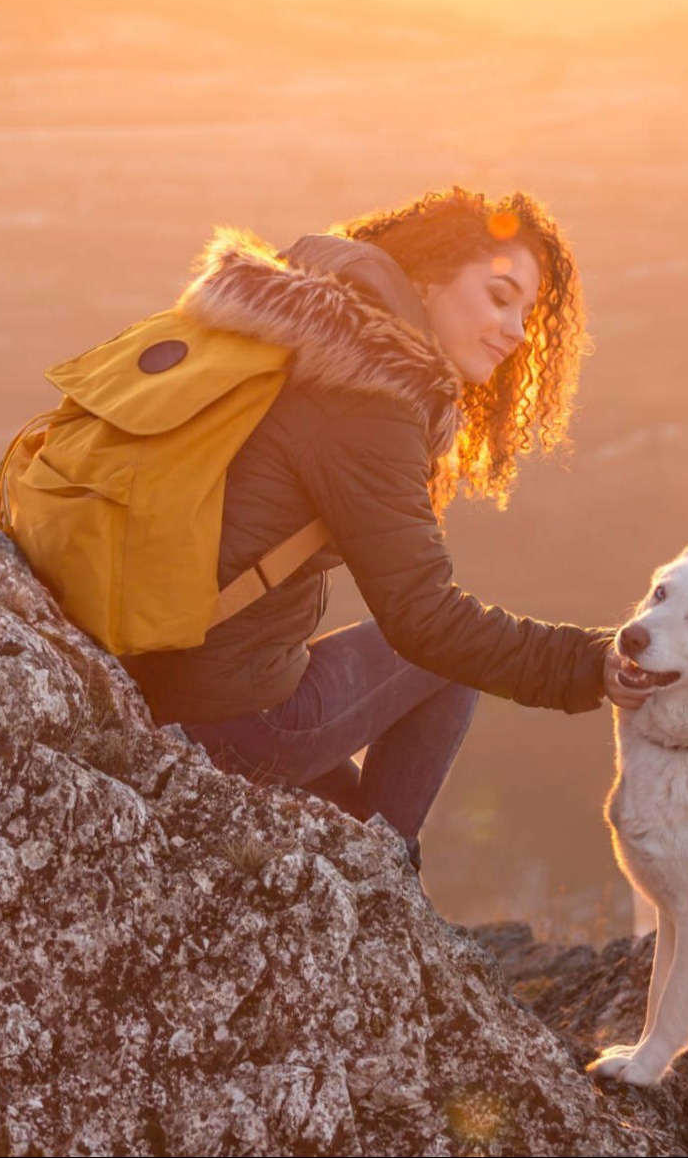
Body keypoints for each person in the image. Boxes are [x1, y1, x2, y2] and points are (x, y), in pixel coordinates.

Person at [120, 186, 647, 872]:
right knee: (445, 661)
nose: (518, 331)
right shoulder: (368, 398)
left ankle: (363, 873)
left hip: (151, 662)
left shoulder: (293, 332)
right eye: (498, 297)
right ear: (425, 283)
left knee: (343, 810)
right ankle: (381, 890)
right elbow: (425, 622)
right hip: (225, 713)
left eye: (525, 312)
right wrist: (587, 664)